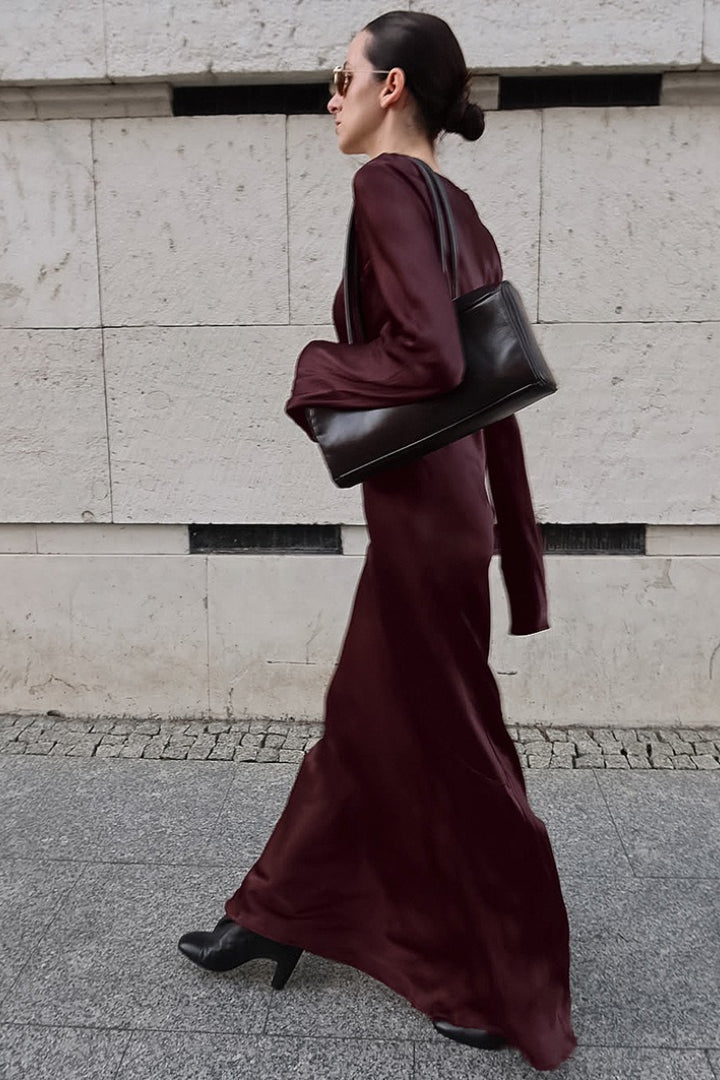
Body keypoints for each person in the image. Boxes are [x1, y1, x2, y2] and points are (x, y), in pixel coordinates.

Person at [178, 10, 577, 1072]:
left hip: (423, 516)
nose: (332, 96)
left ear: (390, 87)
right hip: (447, 508)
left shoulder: (387, 187)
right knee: (364, 727)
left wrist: (317, 370)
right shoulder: (457, 203)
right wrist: (511, 540)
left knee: (454, 744)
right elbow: (488, 392)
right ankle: (272, 914)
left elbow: (434, 360)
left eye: (342, 76)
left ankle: (502, 979)